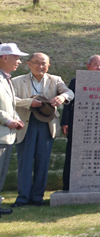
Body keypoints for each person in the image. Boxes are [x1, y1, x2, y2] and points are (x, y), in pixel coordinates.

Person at [12, 53, 74, 207]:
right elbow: (11, 100)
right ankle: (23, 198)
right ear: (29, 64)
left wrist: (62, 98)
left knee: (43, 161)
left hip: (47, 124)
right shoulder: (17, 81)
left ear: (49, 65)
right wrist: (29, 103)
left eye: (44, 63)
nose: (41, 67)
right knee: (25, 162)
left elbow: (70, 92)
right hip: (26, 123)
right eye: (37, 63)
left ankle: (37, 197)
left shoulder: (55, 80)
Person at [60, 54, 100, 191]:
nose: (99, 68)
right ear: (88, 66)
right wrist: (65, 122)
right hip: (80, 125)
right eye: (96, 64)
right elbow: (69, 103)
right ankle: (69, 185)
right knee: (73, 155)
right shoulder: (77, 81)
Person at [0, 44, 27, 217]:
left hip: (6, 136)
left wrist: (15, 117)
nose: (19, 61)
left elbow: (8, 104)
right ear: (4, 57)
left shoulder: (6, 78)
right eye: (16, 57)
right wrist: (8, 120)